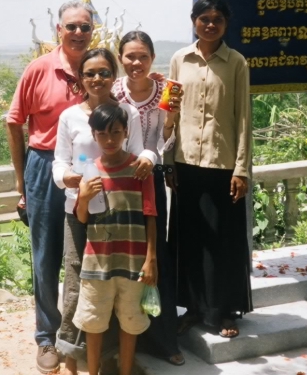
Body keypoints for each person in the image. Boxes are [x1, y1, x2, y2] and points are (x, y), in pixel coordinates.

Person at [52, 47, 155, 374]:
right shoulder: (70, 116)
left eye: (104, 72)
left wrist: (150, 159)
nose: (97, 79)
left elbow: (139, 153)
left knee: (119, 283)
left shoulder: (128, 112)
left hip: (122, 213)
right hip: (80, 209)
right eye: (90, 73)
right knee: (75, 285)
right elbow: (60, 162)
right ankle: (71, 356)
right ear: (80, 78)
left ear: (115, 75)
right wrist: (70, 180)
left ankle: (114, 358)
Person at [6, 0, 94, 373]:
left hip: (87, 167)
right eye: (71, 26)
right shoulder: (39, 69)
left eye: (85, 27)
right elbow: (14, 122)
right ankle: (47, 337)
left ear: (93, 32)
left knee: (88, 253)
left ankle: (83, 332)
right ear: (59, 30)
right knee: (46, 257)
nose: (77, 33)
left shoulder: (98, 69)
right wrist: (21, 179)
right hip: (43, 166)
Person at [166, 0, 253, 339]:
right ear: (194, 22)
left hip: (223, 167)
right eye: (204, 19)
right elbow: (170, 113)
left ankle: (226, 311)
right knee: (189, 239)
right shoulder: (179, 60)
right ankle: (193, 308)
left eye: (217, 19)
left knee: (223, 242)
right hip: (186, 164)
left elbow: (244, 119)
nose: (211, 24)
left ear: (226, 23)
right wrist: (168, 161)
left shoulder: (237, 64)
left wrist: (242, 169)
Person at [112, 30, 185, 366]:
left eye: (142, 56)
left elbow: (164, 141)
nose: (136, 62)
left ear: (152, 57)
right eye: (130, 56)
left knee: (156, 259)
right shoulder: (113, 92)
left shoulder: (164, 92)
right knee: (122, 257)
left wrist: (170, 121)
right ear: (120, 58)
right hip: (118, 184)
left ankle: (164, 339)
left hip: (150, 180)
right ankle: (122, 336)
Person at [73, 103, 158, 375]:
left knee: (130, 321)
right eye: (102, 134)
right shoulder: (90, 171)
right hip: (97, 263)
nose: (109, 140)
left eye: (116, 133)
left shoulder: (140, 169)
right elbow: (82, 218)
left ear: (126, 132)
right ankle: (93, 371)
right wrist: (84, 197)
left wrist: (151, 260)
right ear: (93, 135)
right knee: (93, 322)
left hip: (133, 263)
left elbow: (150, 215)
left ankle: (125, 370)